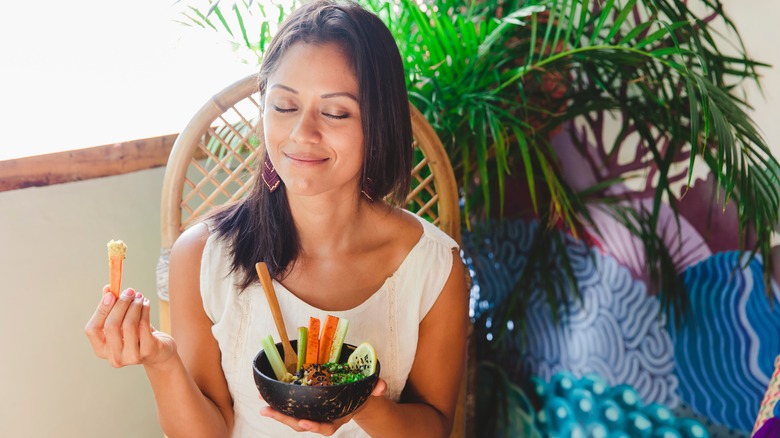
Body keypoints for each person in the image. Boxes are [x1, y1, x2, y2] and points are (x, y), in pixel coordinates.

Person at [84, 0, 468, 436]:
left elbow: (436, 427)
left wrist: (358, 404)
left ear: (379, 122)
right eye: (284, 106)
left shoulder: (433, 267)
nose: (303, 132)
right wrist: (160, 359)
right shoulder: (202, 256)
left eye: (336, 112)